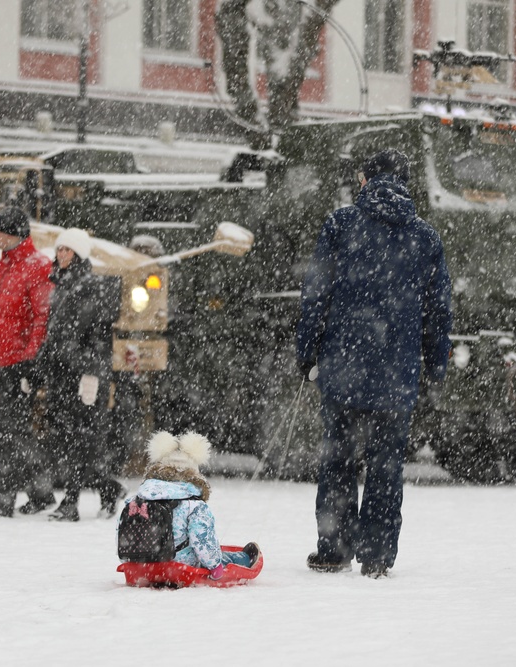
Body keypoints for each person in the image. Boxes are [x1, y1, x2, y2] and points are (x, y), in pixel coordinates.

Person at [296, 149, 453, 578]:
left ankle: (334, 549)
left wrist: (306, 351)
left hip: (343, 368)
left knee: (339, 460)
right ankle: (378, 556)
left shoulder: (340, 225)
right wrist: (436, 364)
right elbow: (439, 311)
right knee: (387, 466)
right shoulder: (425, 237)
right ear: (405, 182)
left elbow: (315, 296)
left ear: (364, 180)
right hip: (396, 375)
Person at [38, 228, 125, 522]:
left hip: (82, 376)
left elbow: (98, 339)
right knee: (70, 439)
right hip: (62, 373)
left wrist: (90, 374)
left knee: (80, 439)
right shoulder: (60, 285)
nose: (61, 255)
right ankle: (108, 488)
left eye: (67, 250)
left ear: (79, 254)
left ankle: (71, 502)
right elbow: (56, 335)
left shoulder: (91, 288)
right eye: (59, 249)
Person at [0, 206, 55, 517]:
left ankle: (4, 501)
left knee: (10, 433)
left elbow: (41, 318)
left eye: (0, 231)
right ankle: (40, 491)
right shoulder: (1, 267)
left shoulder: (37, 267)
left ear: (14, 234)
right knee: (13, 431)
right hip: (0, 360)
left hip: (18, 363)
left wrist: (32, 360)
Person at [117, 431, 259, 577]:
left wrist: (130, 560)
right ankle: (244, 558)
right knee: (222, 557)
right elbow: (202, 539)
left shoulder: (137, 501)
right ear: (193, 473)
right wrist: (214, 567)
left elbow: (123, 531)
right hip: (181, 566)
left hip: (143, 564)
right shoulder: (193, 505)